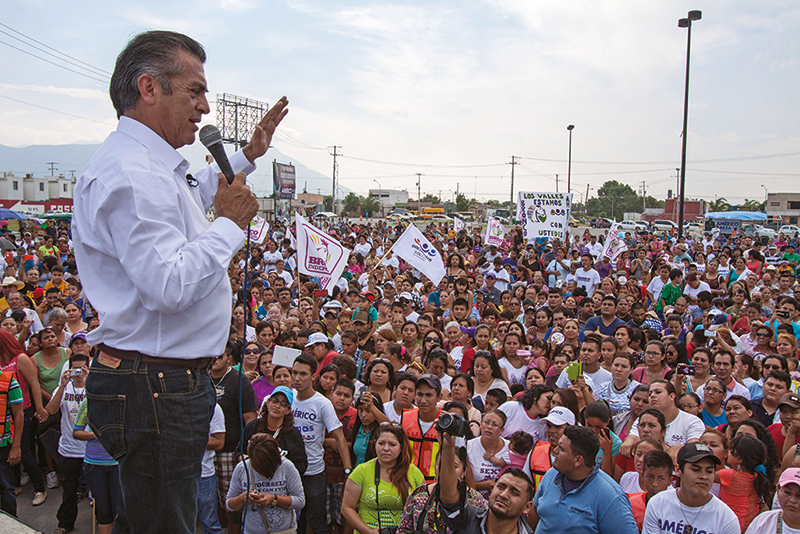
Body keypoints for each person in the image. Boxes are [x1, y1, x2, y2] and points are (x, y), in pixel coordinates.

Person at [73, 30, 289, 533]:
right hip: (155, 386)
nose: (205, 105)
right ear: (149, 88)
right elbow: (168, 286)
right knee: (166, 523)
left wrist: (248, 155)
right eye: (193, 91)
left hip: (158, 382)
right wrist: (231, 226)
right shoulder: (132, 173)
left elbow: (194, 190)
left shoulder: (150, 165)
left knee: (148, 516)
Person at [528, 425, 638, 533]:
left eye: (561, 449)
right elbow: (535, 511)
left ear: (578, 460)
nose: (555, 450)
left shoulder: (611, 497)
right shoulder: (552, 474)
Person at [292, 352, 353, 534]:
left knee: (317, 521)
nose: (297, 378)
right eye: (294, 373)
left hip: (314, 471)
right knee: (294, 521)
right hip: (289, 469)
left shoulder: (322, 404)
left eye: (303, 374)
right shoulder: (287, 397)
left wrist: (348, 470)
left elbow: (340, 438)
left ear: (313, 377)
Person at [438, 428, 534, 534]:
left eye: (514, 492)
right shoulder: (468, 519)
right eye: (501, 487)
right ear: (492, 488)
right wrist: (447, 447)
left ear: (527, 507)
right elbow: (449, 499)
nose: (503, 494)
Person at [342, 422, 425, 534]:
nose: (386, 448)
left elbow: (424, 509)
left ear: (401, 447)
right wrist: (368, 531)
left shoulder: (414, 473)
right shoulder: (361, 471)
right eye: (381, 443)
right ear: (375, 444)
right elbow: (347, 508)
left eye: (392, 444)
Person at [643, 442, 740, 534]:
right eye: (696, 470)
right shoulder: (658, 503)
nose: (704, 476)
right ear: (678, 470)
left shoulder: (727, 519)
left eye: (709, 471)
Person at [44, 353, 89, 534]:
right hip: (69, 449)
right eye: (75, 369)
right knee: (69, 490)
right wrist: (62, 385)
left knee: (100, 492)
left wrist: (89, 380)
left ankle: (103, 524)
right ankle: (64, 524)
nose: (78, 373)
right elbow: (51, 410)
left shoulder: (94, 387)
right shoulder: (63, 388)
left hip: (91, 449)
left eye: (82, 369)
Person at [226, 433, 306, 534]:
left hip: (284, 531)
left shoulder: (287, 466)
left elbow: (300, 501)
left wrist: (275, 499)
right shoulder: (242, 469)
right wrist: (242, 499)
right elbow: (229, 504)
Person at [72, 396, 126, 534]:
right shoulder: (88, 403)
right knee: (103, 512)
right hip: (94, 464)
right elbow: (76, 432)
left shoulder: (123, 401)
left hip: (117, 463)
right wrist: (96, 435)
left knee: (120, 511)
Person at [401, 374, 443, 482]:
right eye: (420, 394)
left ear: (439, 397)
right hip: (407, 482)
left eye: (429, 395)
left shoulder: (446, 422)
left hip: (435, 485)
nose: (423, 400)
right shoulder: (405, 417)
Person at [744, 467, 800, 533]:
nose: (792, 500)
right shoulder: (763, 521)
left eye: (799, 496)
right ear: (777, 489)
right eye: (787, 492)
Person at [0, 365, 23, 517]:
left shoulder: (9, 381)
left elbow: (19, 415)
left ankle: (11, 523)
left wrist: (16, 446)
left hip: (2, 445)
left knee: (6, 487)